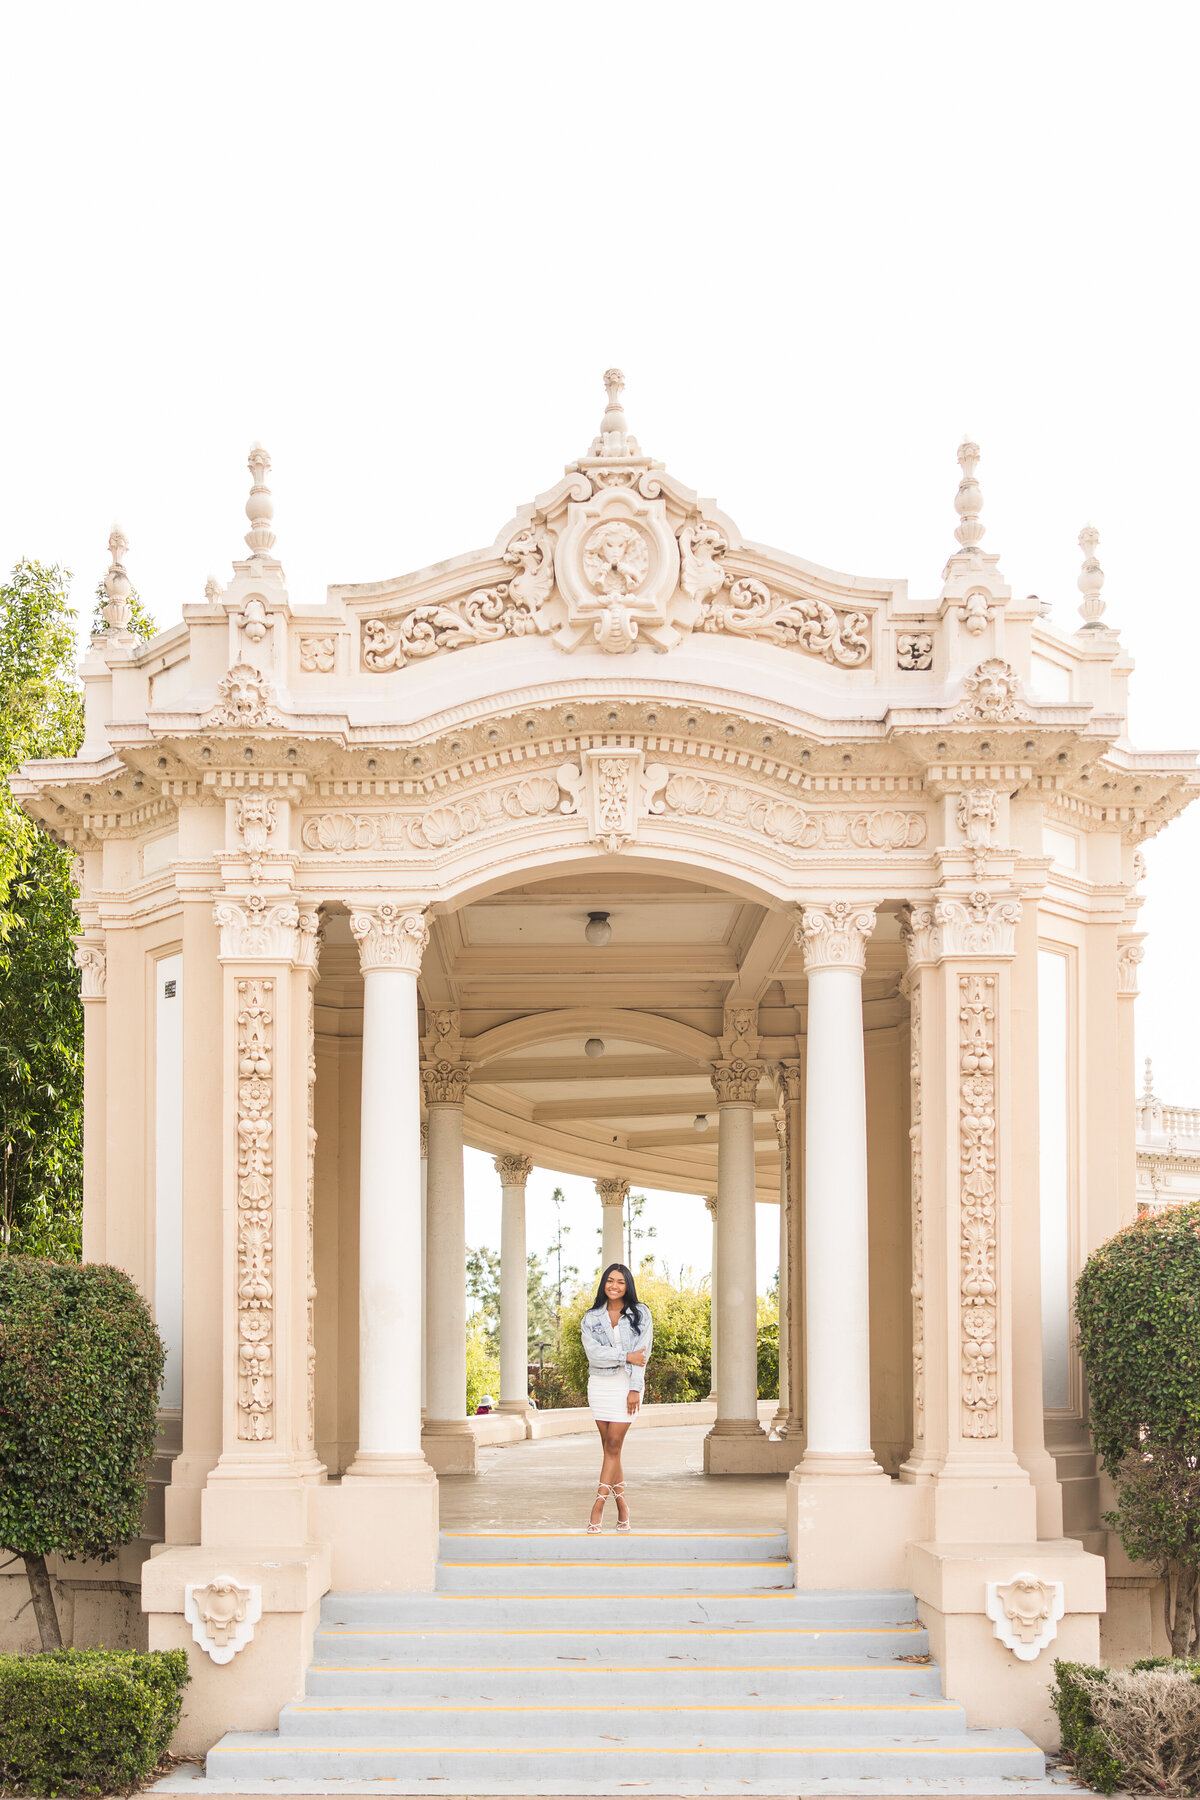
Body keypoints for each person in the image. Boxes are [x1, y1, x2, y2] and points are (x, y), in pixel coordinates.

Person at [580, 1263, 653, 1533]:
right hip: (599, 1384)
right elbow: (594, 1354)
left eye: (620, 1282)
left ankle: (598, 1506)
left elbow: (642, 1354)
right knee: (611, 1449)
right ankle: (622, 1507)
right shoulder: (591, 1318)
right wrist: (625, 1356)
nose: (614, 1286)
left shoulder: (640, 1313)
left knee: (613, 1444)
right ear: (604, 1284)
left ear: (628, 1285)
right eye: (610, 1281)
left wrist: (635, 1387)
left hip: (627, 1385)